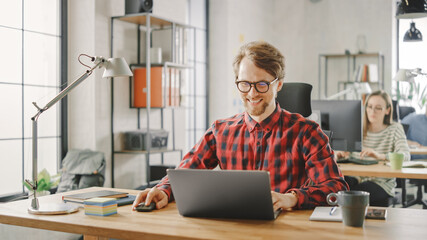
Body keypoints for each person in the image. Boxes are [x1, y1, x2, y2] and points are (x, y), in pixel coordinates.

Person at [132, 41, 348, 212]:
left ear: (279, 84)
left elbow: (336, 189)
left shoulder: (307, 132)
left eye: (262, 84)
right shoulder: (220, 131)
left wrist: (291, 198)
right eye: (244, 84)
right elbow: (184, 173)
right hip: (232, 229)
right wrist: (164, 189)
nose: (252, 93)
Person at [336, 90, 410, 207]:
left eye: (378, 108)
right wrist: (340, 154)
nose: (372, 111)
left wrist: (380, 156)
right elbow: (339, 152)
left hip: (381, 183)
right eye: (369, 107)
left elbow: (405, 156)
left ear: (387, 110)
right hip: (356, 177)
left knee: (349, 196)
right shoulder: (357, 126)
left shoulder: (395, 128)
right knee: (333, 187)